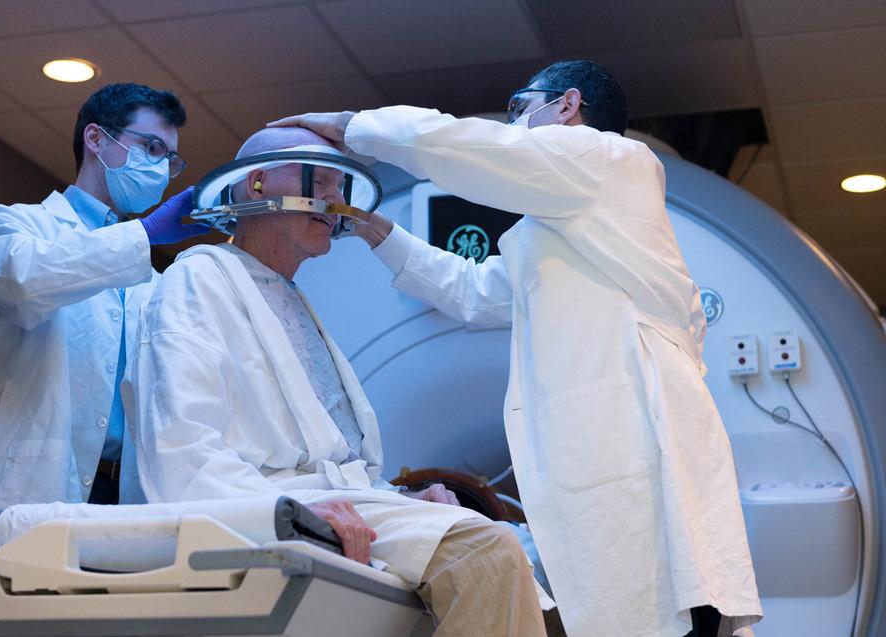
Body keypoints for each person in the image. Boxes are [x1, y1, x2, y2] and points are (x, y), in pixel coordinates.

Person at [270, 60, 763, 637]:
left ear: (568, 106)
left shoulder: (613, 160)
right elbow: (474, 293)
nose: (514, 123)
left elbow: (478, 149)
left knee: (670, 605)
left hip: (638, 442)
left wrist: (354, 127)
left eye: (520, 106)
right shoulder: (559, 232)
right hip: (603, 457)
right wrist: (375, 227)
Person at [121, 126, 550, 637]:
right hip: (264, 507)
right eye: (320, 182)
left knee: (518, 547)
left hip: (335, 502)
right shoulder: (199, 280)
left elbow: (332, 460)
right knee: (484, 552)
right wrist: (293, 510)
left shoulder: (290, 299)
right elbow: (182, 453)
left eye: (339, 187)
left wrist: (403, 499)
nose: (335, 200)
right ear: (256, 185)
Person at [0, 82, 209, 521]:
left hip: (126, 491)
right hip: (38, 482)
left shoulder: (150, 281)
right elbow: (23, 283)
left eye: (169, 159)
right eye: (151, 146)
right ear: (96, 139)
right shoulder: (12, 225)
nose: (161, 167)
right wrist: (146, 234)